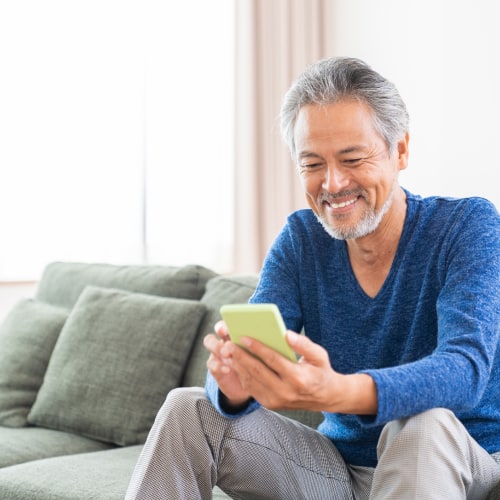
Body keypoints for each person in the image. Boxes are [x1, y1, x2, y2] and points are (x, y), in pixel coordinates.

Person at [125, 57, 500, 499]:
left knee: (420, 425)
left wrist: (340, 390)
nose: (333, 183)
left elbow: (465, 371)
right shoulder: (302, 239)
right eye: (312, 164)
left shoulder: (467, 225)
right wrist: (234, 385)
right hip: (337, 470)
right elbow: (248, 362)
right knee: (189, 409)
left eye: (352, 158)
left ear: (400, 151)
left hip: (452, 460)